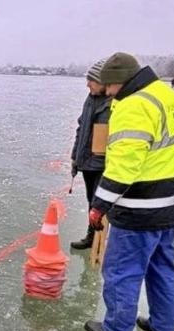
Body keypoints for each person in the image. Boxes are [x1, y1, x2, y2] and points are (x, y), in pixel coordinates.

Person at [85, 52, 174, 331]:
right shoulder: (166, 94)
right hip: (172, 205)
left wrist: (98, 207)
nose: (106, 92)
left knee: (121, 270)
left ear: (121, 81)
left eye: (109, 86)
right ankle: (163, 326)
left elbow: (123, 168)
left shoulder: (133, 105)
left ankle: (117, 329)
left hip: (142, 208)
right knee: (162, 268)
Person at [69, 58, 111, 249]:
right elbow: (81, 127)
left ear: (103, 82)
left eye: (91, 81)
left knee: (99, 202)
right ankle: (92, 236)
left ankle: (98, 240)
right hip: (86, 161)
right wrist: (75, 155)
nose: (87, 84)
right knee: (91, 200)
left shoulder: (112, 103)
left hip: (101, 164)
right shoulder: (90, 99)